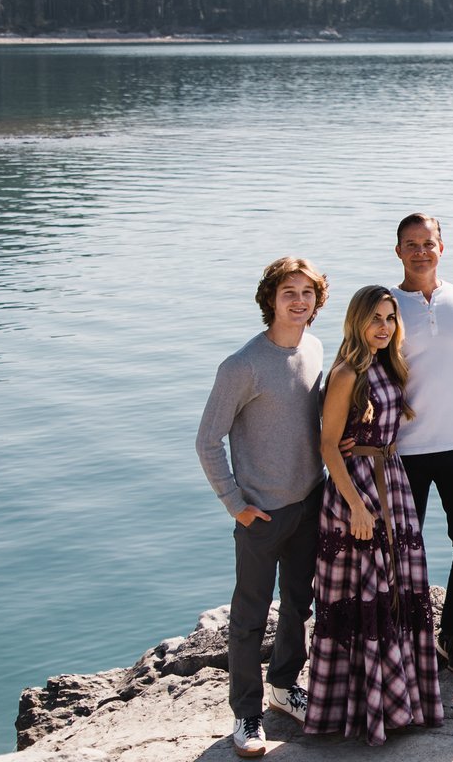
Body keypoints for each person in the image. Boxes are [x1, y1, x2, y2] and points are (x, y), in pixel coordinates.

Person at [195, 257, 328, 759]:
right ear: (270, 298)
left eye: (307, 293)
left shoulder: (314, 348)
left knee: (299, 604)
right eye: (288, 292)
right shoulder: (242, 365)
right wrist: (236, 504)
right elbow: (208, 441)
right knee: (249, 616)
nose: (299, 301)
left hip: (310, 502)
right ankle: (246, 713)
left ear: (317, 301)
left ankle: (285, 686)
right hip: (261, 514)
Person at [304, 285, 443, 744]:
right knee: (364, 595)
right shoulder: (347, 372)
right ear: (357, 321)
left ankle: (399, 703)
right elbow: (328, 446)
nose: (384, 327)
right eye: (375, 318)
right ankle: (363, 711)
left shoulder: (387, 364)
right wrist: (357, 507)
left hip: (391, 483)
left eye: (390, 318)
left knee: (396, 593)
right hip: (357, 492)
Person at [388, 213, 453, 672]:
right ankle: (403, 634)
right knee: (401, 550)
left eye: (428, 243)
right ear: (398, 251)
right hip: (402, 450)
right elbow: (356, 366)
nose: (420, 252)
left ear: (441, 248)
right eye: (411, 244)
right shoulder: (386, 305)